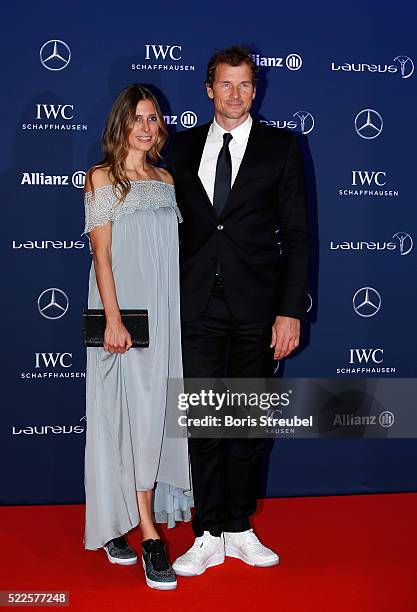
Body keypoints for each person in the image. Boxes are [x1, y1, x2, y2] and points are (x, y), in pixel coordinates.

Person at [167, 46, 309, 576]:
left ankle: (239, 526)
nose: (235, 94)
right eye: (225, 85)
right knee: (204, 420)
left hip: (258, 308)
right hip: (197, 304)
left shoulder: (282, 148)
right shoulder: (178, 150)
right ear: (209, 90)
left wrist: (289, 311)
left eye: (244, 85)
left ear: (256, 89)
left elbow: (297, 236)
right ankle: (206, 531)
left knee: (247, 422)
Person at [83, 83, 191, 591]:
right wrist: (112, 319)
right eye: (139, 118)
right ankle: (145, 533)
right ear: (121, 123)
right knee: (119, 417)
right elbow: (101, 257)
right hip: (121, 317)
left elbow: (166, 256)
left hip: (163, 316)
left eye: (154, 119)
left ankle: (122, 520)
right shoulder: (102, 177)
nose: (148, 128)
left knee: (152, 418)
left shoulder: (167, 179)